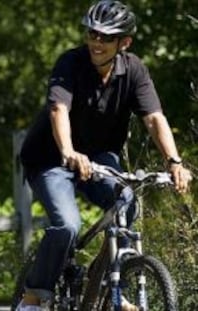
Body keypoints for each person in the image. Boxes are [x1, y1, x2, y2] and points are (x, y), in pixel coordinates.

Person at [17, 1, 192, 311]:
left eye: (106, 37)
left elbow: (153, 118)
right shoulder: (70, 63)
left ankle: (113, 287)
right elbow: (59, 109)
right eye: (92, 34)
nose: (96, 42)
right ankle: (33, 296)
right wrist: (68, 152)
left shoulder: (134, 70)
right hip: (50, 159)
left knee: (126, 204)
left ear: (124, 42)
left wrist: (174, 161)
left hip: (98, 157)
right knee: (67, 225)